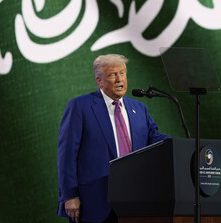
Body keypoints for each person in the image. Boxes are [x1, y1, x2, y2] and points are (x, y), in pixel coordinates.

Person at [57, 54, 170, 223]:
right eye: (112, 75)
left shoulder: (139, 109)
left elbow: (155, 139)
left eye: (122, 73)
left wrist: (180, 144)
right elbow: (67, 155)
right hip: (95, 203)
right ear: (99, 81)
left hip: (135, 201)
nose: (119, 79)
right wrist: (70, 195)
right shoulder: (80, 107)